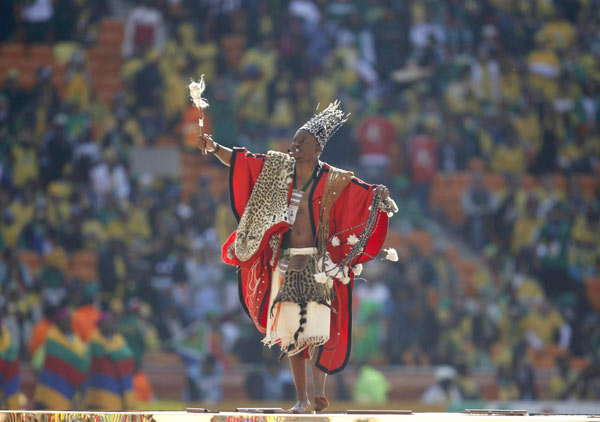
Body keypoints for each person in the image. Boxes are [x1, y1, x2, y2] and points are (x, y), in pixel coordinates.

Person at [198, 101, 395, 413]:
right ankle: (302, 397)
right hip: (287, 259)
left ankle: (318, 392)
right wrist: (214, 147)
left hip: (320, 263)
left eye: (301, 141)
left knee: (318, 328)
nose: (294, 145)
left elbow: (365, 194)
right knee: (291, 332)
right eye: (293, 140)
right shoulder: (278, 170)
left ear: (317, 148)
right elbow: (244, 162)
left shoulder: (334, 178)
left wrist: (380, 195)